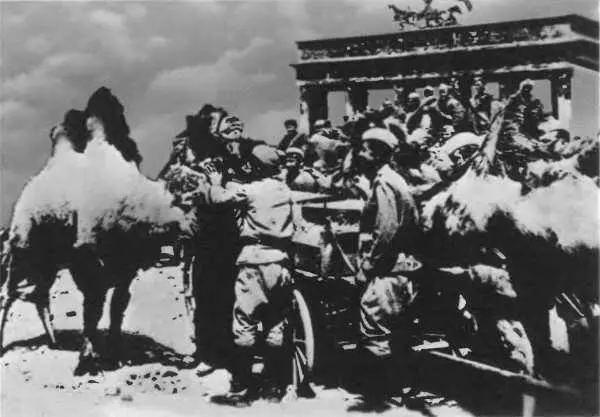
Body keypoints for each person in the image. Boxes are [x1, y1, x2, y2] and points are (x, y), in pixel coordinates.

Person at [211, 145, 297, 406]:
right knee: (276, 323)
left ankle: (241, 389)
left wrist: (215, 182)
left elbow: (219, 200)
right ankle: (273, 387)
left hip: (254, 260)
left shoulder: (251, 190)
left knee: (245, 321)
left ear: (257, 166)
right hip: (280, 261)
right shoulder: (286, 191)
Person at [353, 127, 422, 406]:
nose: (360, 154)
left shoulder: (384, 182)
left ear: (377, 154)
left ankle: (381, 395)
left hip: (388, 270)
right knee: (399, 329)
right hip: (405, 268)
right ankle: (401, 387)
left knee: (375, 327)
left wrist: (367, 265)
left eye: (364, 150)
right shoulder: (396, 179)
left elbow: (386, 229)